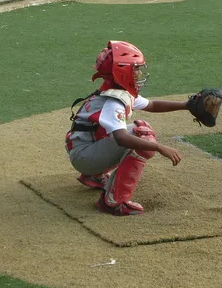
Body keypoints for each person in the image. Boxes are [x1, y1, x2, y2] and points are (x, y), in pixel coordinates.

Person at [65, 41, 187, 216]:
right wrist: (159, 147)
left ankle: (95, 175)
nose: (139, 73)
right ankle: (113, 202)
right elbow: (121, 138)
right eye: (135, 68)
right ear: (121, 71)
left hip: (84, 148)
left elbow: (152, 105)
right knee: (143, 135)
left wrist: (187, 105)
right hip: (84, 156)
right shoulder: (113, 101)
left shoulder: (116, 91)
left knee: (140, 130)